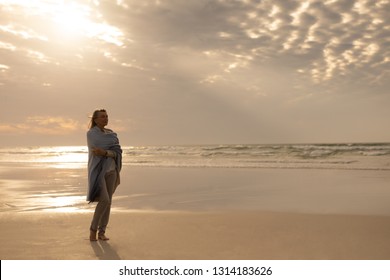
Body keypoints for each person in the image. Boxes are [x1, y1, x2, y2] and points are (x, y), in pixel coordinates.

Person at [87, 109, 122, 241]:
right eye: (102, 117)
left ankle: (102, 232)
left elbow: (117, 151)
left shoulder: (112, 134)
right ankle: (93, 230)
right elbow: (96, 151)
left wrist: (106, 153)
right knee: (104, 200)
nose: (105, 119)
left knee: (108, 203)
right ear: (95, 120)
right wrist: (108, 151)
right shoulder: (91, 134)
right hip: (99, 172)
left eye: (107, 116)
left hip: (112, 171)